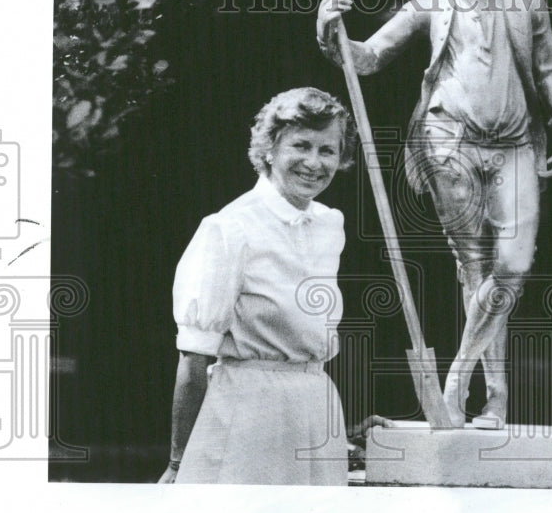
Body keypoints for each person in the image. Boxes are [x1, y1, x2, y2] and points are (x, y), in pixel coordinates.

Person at [317, 0, 552, 428]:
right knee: (474, 266)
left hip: (515, 143)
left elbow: (551, 66)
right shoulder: (430, 4)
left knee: (513, 265)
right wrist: (329, 30)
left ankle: (457, 381)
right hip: (446, 140)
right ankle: (494, 402)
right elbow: (365, 57)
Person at [158, 87, 388, 485]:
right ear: (268, 150)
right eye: (300, 146)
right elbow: (194, 360)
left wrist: (340, 433)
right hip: (246, 416)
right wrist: (178, 464)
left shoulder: (330, 224)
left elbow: (302, 346)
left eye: (327, 150)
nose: (314, 163)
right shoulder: (230, 228)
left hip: (318, 414)